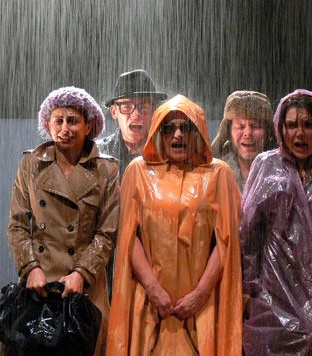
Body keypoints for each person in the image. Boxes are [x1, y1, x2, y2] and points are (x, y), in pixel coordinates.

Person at [106, 95, 242, 356]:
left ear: (198, 130)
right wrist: (153, 289)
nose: (178, 134)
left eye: (186, 127)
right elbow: (128, 237)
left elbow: (227, 242)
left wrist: (200, 294)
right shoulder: (138, 172)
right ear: (159, 132)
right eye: (169, 128)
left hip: (202, 308)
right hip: (150, 306)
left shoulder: (219, 174)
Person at [240, 89, 312, 355]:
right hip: (273, 304)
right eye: (292, 125)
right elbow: (248, 238)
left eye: (308, 125)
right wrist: (246, 293)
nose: (299, 134)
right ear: (281, 128)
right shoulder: (265, 166)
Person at [7, 87, 119, 355]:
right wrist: (31, 267)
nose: (65, 129)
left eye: (73, 121)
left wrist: (81, 273)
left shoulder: (107, 169)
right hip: (39, 286)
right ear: (48, 124)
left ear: (88, 125)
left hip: (85, 289)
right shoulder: (30, 164)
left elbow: (107, 233)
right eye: (59, 121)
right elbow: (18, 225)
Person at [98, 69, 167, 177]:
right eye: (126, 106)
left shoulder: (169, 152)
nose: (136, 114)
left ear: (155, 111)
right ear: (114, 112)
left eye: (144, 106)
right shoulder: (98, 154)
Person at [211, 90, 275, 191]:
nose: (248, 133)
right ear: (228, 132)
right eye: (240, 126)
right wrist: (220, 139)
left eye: (255, 126)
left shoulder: (281, 169)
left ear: (268, 132)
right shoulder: (217, 171)